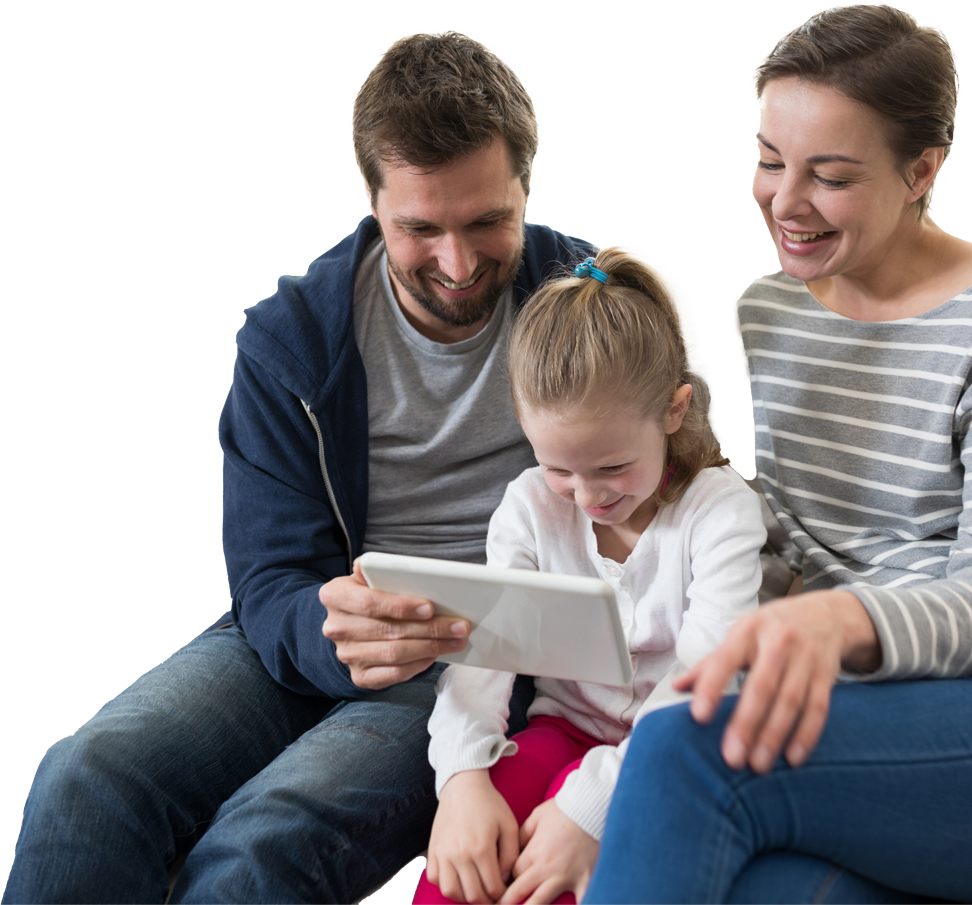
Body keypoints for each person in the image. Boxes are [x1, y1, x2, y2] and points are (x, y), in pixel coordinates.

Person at [581, 6, 972, 905]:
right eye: (769, 160)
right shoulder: (772, 313)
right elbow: (805, 549)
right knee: (759, 886)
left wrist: (833, 623)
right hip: (886, 725)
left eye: (828, 175)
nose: (785, 202)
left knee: (685, 749)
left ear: (920, 170)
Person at [3, 32, 595, 905]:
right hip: (304, 629)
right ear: (370, 199)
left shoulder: (584, 304)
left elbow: (662, 496)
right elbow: (270, 576)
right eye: (419, 228)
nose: (458, 265)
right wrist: (334, 631)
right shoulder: (293, 338)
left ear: (525, 188)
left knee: (264, 839)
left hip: (473, 658)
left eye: (485, 222)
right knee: (85, 773)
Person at [411, 246, 768, 905]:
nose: (585, 495)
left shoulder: (720, 512)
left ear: (674, 409)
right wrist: (461, 778)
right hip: (559, 730)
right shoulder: (527, 505)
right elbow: (483, 659)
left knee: (574, 883)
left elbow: (701, 681)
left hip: (672, 754)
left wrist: (591, 806)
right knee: (456, 875)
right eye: (559, 468)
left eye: (611, 467)